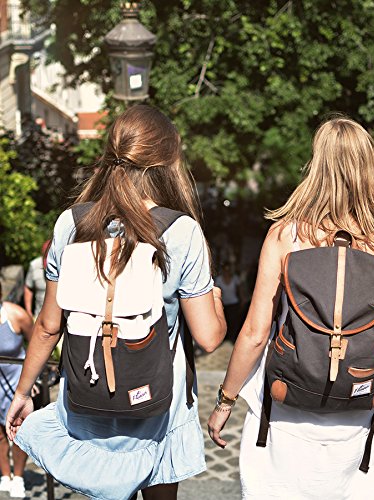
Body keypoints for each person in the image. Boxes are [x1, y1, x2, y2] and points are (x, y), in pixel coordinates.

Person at [6, 104, 226, 500]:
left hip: (89, 394)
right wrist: (216, 299)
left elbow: (48, 325)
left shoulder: (71, 224)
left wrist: (22, 394)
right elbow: (209, 338)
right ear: (167, 162)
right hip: (158, 401)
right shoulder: (181, 231)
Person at [207, 117, 374, 499]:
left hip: (285, 408)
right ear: (369, 169)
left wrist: (225, 401)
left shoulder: (285, 236)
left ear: (316, 166)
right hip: (358, 418)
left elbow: (256, 334)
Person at [0, 281, 33, 498]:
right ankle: (5, 475)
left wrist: (33, 382)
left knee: (17, 430)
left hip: (15, 381)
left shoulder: (16, 315)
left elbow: (38, 345)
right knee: (0, 434)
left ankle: (19, 476)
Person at [214, 264, 243, 342]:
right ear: (223, 270)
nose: (226, 272)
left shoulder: (235, 278)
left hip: (234, 303)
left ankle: (232, 339)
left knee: (234, 322)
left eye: (228, 270)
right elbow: (216, 292)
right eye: (225, 270)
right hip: (224, 304)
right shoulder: (219, 279)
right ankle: (224, 339)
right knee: (225, 322)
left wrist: (241, 301)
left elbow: (239, 291)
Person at [23, 241, 51, 319]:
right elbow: (28, 287)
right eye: (44, 258)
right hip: (38, 317)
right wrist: (28, 312)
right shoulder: (34, 265)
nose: (46, 263)